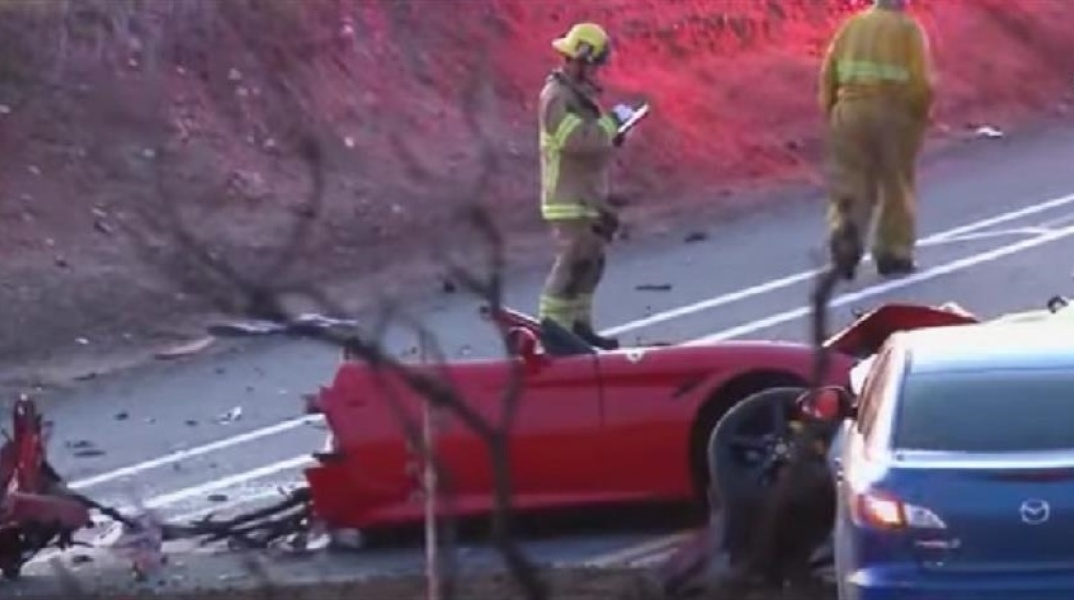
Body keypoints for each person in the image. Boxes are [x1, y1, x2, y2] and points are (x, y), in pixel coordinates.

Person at [536, 22, 640, 351]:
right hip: (568, 199)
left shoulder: (578, 96)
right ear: (578, 60)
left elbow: (593, 141)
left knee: (590, 264)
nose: (598, 72)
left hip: (588, 196)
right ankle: (552, 335)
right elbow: (576, 141)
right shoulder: (556, 97)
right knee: (571, 265)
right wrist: (612, 123)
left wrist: (616, 130)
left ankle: (579, 328)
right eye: (595, 64)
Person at [819, 0, 935, 279]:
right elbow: (920, 83)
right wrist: (920, 118)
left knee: (851, 182)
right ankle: (893, 253)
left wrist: (833, 112)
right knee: (896, 184)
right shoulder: (908, 30)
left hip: (848, 112)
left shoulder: (852, 26)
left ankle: (845, 242)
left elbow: (828, 74)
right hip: (891, 114)